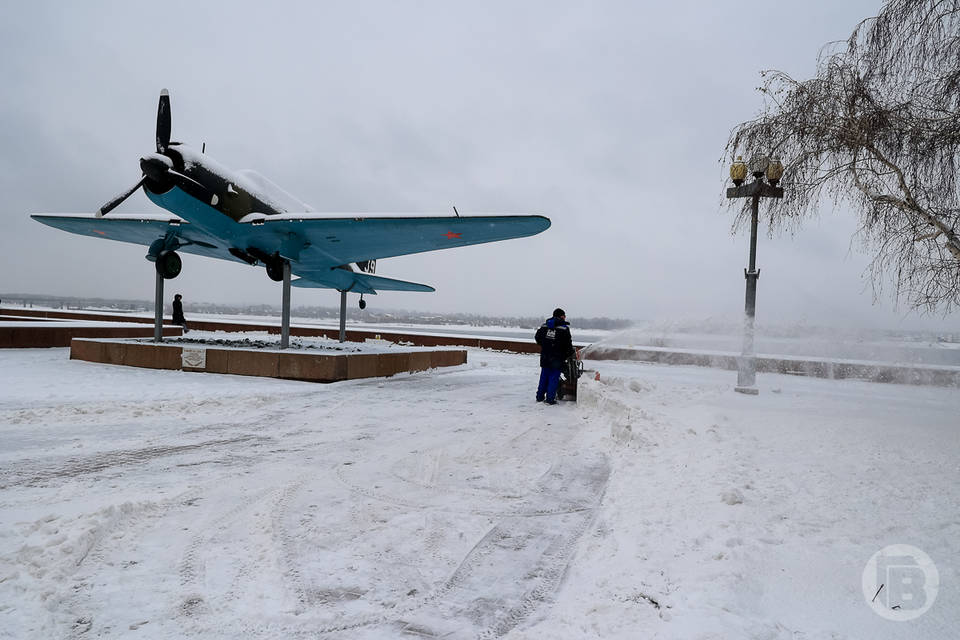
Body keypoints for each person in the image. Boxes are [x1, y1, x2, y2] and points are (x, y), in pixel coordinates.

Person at [535, 307, 573, 405]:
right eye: (564, 316)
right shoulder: (564, 329)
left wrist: (545, 345)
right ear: (561, 316)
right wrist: (569, 353)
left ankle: (539, 397)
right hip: (557, 358)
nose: (565, 318)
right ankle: (550, 400)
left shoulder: (544, 326)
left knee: (544, 377)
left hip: (545, 357)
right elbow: (568, 345)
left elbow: (537, 338)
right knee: (553, 378)